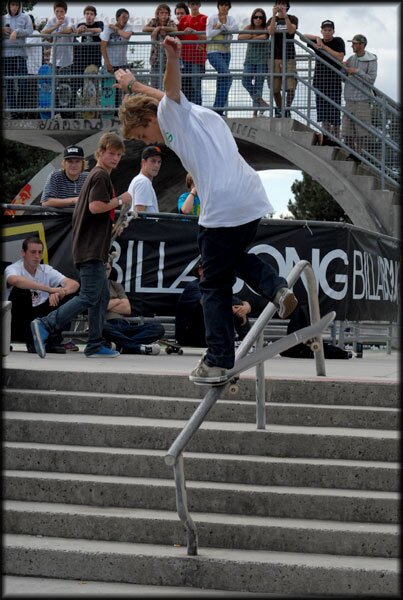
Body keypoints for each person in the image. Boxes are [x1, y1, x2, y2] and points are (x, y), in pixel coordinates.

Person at [114, 35, 298, 384]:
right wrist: (134, 88)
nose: (146, 142)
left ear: (148, 119)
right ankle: (275, 287)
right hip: (250, 198)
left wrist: (169, 58)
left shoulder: (170, 115)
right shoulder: (194, 112)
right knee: (230, 257)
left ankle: (217, 359)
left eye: (140, 134)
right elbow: (163, 97)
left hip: (223, 205)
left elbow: (166, 93)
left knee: (212, 284)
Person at [30, 132, 132, 359]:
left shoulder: (94, 176)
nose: (115, 158)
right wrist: (120, 200)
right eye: (111, 153)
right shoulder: (100, 177)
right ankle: (46, 324)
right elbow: (96, 207)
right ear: (101, 152)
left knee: (101, 296)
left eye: (118, 155)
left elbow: (91, 212)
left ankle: (95, 344)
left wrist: (115, 226)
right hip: (91, 249)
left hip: (92, 247)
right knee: (88, 296)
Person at [4, 236, 80, 353]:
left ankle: (52, 341)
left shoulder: (46, 269)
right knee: (21, 290)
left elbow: (74, 284)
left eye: (40, 252)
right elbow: (15, 281)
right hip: (17, 321)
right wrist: (50, 289)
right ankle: (31, 341)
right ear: (23, 253)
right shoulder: (13, 268)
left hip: (40, 318)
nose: (37, 256)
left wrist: (61, 292)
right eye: (33, 252)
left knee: (69, 293)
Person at [175, 259, 251, 347]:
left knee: (236, 304)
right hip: (190, 336)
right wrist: (230, 309)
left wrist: (246, 307)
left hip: (209, 335)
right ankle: (245, 342)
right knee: (215, 304)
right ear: (200, 271)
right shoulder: (193, 287)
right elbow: (206, 302)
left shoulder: (217, 288)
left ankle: (247, 341)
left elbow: (234, 301)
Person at [102, 260, 164, 354]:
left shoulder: (116, 285)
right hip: (106, 325)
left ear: (111, 270)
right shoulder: (92, 285)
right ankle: (137, 347)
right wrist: (118, 301)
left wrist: (107, 304)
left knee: (158, 328)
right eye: (102, 269)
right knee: (100, 326)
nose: (105, 271)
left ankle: (121, 346)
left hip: (123, 324)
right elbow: (98, 307)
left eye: (107, 269)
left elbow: (127, 309)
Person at [304, 20, 345, 139]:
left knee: (335, 113)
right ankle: (326, 137)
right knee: (323, 113)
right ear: (321, 30)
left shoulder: (338, 41)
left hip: (334, 82)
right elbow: (302, 37)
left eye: (329, 30)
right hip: (320, 81)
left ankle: (336, 138)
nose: (327, 32)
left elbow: (340, 56)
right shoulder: (318, 40)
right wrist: (317, 38)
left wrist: (324, 47)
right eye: (325, 30)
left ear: (333, 31)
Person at [342, 34, 378, 158]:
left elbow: (371, 80)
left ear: (361, 45)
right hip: (349, 99)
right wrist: (343, 68)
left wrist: (357, 71)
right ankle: (353, 154)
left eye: (354, 43)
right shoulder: (351, 58)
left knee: (361, 133)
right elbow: (343, 78)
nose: (352, 45)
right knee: (346, 131)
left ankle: (359, 156)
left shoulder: (371, 60)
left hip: (363, 100)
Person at [42, 1, 77, 117]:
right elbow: (43, 33)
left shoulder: (70, 19)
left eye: (61, 11)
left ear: (65, 12)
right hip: (53, 60)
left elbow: (69, 30)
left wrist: (54, 33)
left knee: (65, 89)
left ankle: (66, 115)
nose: (59, 14)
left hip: (67, 61)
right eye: (57, 11)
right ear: (54, 11)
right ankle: (55, 113)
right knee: (53, 88)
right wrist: (56, 26)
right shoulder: (52, 20)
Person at [2, 0, 33, 119]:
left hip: (20, 55)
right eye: (12, 5)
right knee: (9, 84)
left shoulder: (25, 17)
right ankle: (13, 112)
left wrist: (16, 31)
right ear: (8, 6)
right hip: (6, 56)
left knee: (22, 83)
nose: (14, 7)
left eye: (16, 5)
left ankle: (20, 110)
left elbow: (29, 31)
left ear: (20, 6)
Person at [267, 1, 298, 117]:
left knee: (291, 86)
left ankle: (287, 108)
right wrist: (274, 16)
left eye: (283, 4)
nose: (280, 7)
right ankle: (280, 109)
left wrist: (285, 17)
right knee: (274, 87)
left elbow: (291, 30)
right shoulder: (271, 19)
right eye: (278, 4)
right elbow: (270, 32)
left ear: (287, 7)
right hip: (274, 57)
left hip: (289, 57)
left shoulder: (293, 18)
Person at [206, 1, 237, 116]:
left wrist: (221, 27)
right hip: (213, 51)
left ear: (229, 7)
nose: (224, 7)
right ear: (218, 6)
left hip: (226, 53)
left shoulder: (231, 19)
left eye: (226, 5)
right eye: (222, 5)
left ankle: (218, 110)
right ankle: (218, 109)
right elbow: (209, 33)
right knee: (228, 77)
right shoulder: (213, 17)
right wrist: (222, 29)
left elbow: (235, 30)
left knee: (222, 80)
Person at [100, 8, 133, 109]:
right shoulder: (108, 28)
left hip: (122, 64)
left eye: (127, 17)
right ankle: (108, 113)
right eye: (123, 17)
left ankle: (121, 112)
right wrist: (108, 63)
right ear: (117, 18)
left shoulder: (128, 26)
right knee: (109, 90)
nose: (125, 19)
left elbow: (126, 35)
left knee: (123, 90)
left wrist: (116, 29)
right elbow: (103, 46)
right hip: (110, 63)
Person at [239, 8, 269, 117]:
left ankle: (255, 113)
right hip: (250, 60)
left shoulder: (266, 28)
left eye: (260, 17)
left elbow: (265, 36)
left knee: (258, 85)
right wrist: (254, 36)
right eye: (256, 17)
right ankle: (261, 102)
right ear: (252, 18)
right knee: (245, 81)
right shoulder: (249, 27)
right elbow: (240, 37)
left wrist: (251, 36)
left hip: (262, 61)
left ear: (263, 19)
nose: (258, 19)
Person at [177, 1, 207, 105]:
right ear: (189, 5)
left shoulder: (204, 18)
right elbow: (177, 36)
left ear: (200, 5)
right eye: (192, 4)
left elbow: (208, 37)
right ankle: (185, 113)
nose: (194, 6)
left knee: (196, 88)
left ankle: (198, 113)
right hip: (184, 59)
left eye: (196, 3)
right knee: (184, 88)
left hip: (197, 59)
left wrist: (194, 32)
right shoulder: (184, 19)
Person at [142, 4, 176, 88]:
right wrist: (156, 29)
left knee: (168, 84)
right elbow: (144, 29)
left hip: (168, 58)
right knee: (154, 84)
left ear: (169, 14)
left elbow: (175, 29)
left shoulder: (170, 22)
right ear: (157, 14)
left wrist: (162, 28)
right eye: (161, 13)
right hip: (155, 57)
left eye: (166, 13)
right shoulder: (154, 21)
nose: (164, 15)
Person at [127, 145, 163, 214]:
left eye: (159, 162)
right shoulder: (143, 181)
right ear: (144, 162)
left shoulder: (138, 180)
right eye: (153, 161)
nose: (157, 165)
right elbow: (139, 213)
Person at [75, 5, 104, 73]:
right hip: (82, 56)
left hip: (95, 56)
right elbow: (77, 34)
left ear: (94, 16)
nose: (89, 16)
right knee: (81, 77)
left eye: (91, 14)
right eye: (87, 13)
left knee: (93, 77)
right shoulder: (81, 24)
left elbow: (99, 30)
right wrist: (79, 29)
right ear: (84, 15)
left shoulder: (99, 23)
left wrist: (86, 29)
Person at [25, 14, 43, 118]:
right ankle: (28, 114)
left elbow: (24, 45)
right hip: (28, 69)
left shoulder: (35, 33)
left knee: (32, 95)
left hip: (34, 70)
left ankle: (33, 116)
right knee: (28, 94)